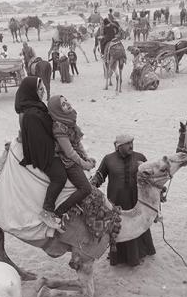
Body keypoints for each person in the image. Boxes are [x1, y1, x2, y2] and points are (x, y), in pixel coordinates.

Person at [92, 135, 156, 266]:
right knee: (119, 228)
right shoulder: (108, 159)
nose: (131, 146)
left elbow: (151, 178)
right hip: (116, 201)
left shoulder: (140, 157)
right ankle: (119, 257)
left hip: (135, 200)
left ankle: (140, 253)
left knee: (136, 225)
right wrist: (91, 185)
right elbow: (100, 176)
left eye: (132, 143)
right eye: (127, 144)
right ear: (118, 146)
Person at [15, 76, 66, 231]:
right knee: (60, 177)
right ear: (31, 92)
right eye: (40, 89)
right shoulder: (31, 114)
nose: (43, 91)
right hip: (43, 154)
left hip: (47, 147)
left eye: (43, 88)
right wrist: (57, 149)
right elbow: (40, 141)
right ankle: (48, 209)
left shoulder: (36, 107)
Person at [44, 95, 95, 226]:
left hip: (74, 157)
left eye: (66, 101)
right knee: (86, 188)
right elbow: (69, 152)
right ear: (57, 110)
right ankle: (59, 212)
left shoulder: (69, 119)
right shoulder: (59, 127)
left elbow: (77, 143)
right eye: (63, 104)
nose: (67, 104)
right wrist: (84, 164)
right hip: (68, 161)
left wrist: (86, 157)